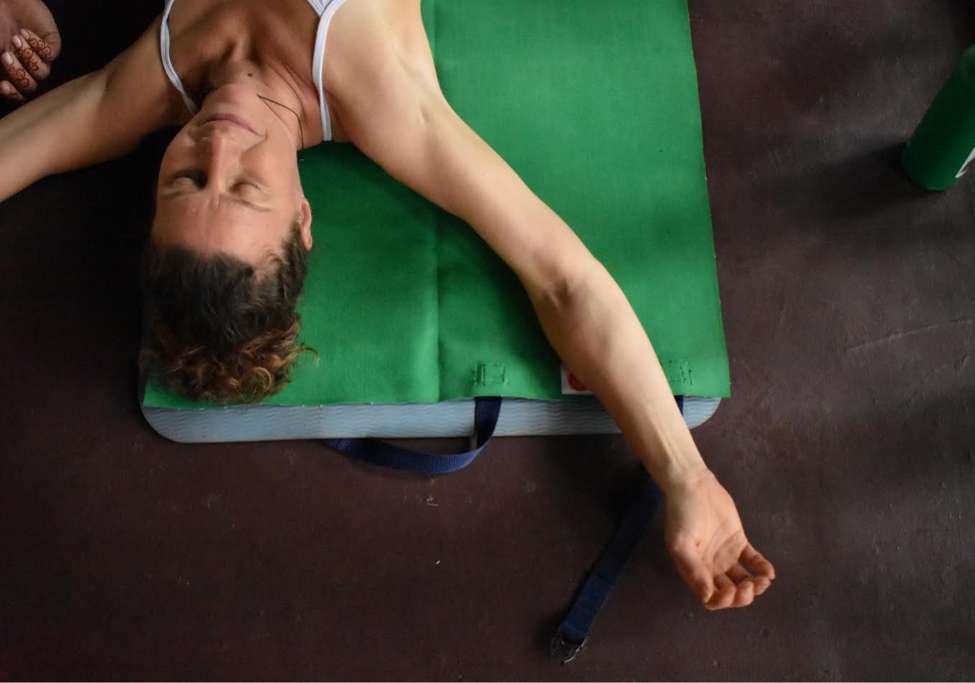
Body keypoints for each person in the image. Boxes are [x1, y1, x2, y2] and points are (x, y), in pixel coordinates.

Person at [0, 0, 776, 611]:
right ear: (303, 216)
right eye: (246, 186)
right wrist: (686, 477)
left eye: (186, 180)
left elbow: (26, 145)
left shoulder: (149, 84)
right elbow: (562, 277)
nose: (219, 143)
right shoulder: (380, 94)